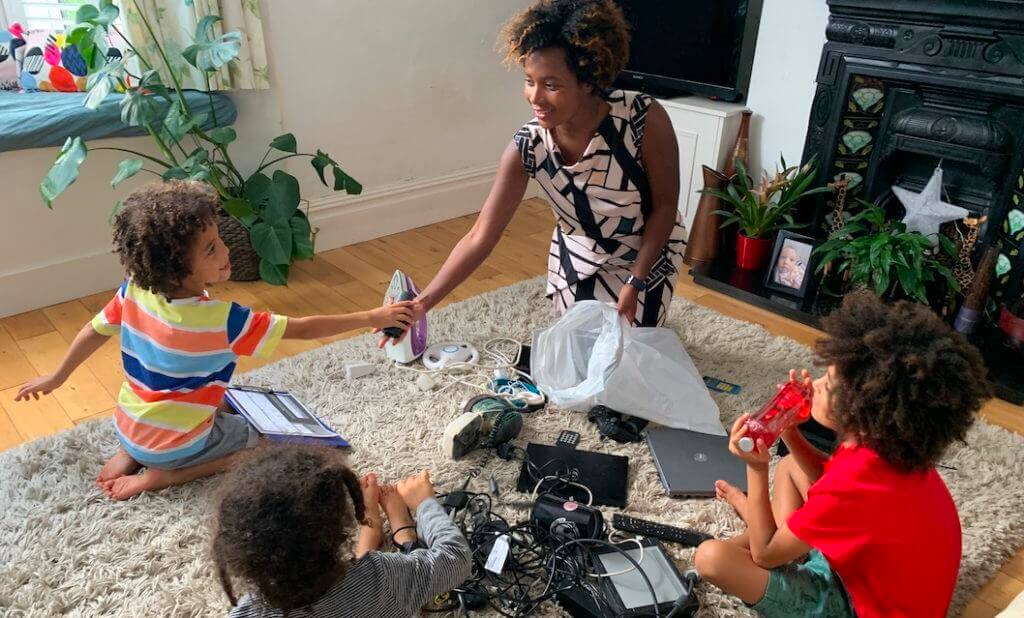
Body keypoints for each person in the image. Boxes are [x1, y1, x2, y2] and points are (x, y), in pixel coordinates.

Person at [14, 181, 413, 500]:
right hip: (174, 446)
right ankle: (166, 476)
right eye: (210, 249)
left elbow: (91, 331)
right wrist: (373, 317)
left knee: (198, 396)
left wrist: (56, 377)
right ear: (174, 269)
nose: (225, 252)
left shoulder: (133, 290)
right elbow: (305, 327)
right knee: (265, 442)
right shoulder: (223, 321)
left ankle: (131, 452)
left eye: (219, 238)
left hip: (129, 424)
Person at [393, 0, 686, 335]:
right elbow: (480, 236)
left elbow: (665, 207)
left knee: (635, 347)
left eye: (551, 85)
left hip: (645, 249)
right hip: (579, 254)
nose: (535, 97)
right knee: (583, 348)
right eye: (529, 80)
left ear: (588, 81)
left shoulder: (642, 118)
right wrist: (422, 303)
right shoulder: (528, 147)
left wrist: (635, 281)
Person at [695, 292, 990, 617]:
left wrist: (756, 467)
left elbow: (765, 556)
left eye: (829, 383)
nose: (816, 384)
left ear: (862, 406)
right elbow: (830, 484)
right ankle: (772, 532)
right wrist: (790, 429)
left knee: (711, 557)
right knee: (791, 467)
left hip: (862, 607)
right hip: (878, 572)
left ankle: (766, 530)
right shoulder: (887, 446)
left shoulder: (856, 480)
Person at [212, 444, 472, 616]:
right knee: (383, 580)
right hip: (375, 593)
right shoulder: (384, 575)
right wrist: (425, 504)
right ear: (341, 527)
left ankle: (371, 533)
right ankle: (400, 532)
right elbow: (455, 559)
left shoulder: (247, 613)